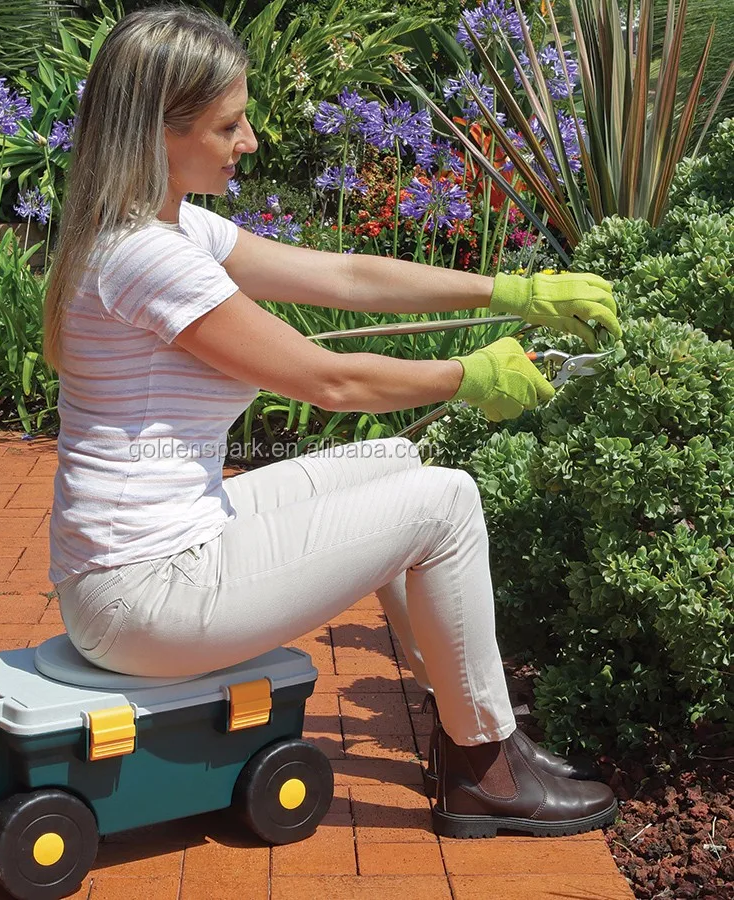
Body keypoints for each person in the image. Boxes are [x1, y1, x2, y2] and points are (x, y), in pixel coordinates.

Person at [43, 3, 624, 840]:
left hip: (144, 564)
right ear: (158, 132)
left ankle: (466, 710)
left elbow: (347, 276)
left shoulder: (167, 226)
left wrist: (509, 292)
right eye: (229, 125)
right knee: (446, 500)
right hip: (146, 595)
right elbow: (331, 379)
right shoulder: (148, 256)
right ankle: (486, 765)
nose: (248, 143)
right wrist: (470, 375)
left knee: (392, 463)